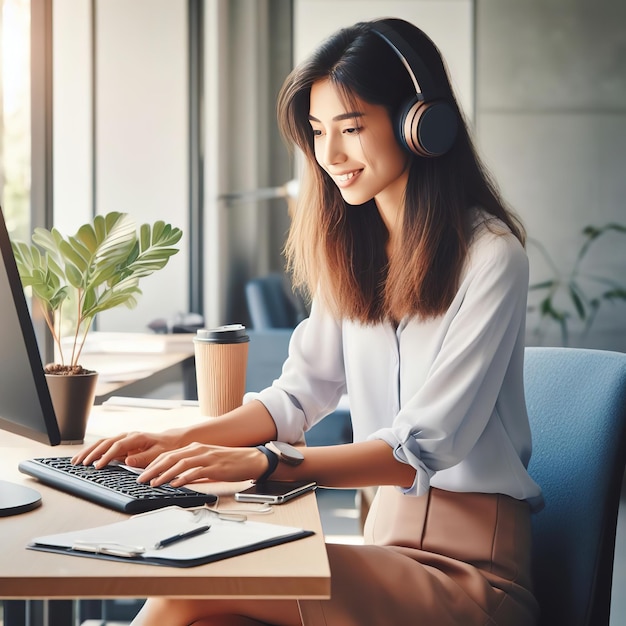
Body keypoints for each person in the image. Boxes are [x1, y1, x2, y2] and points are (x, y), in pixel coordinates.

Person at [73, 17, 543, 626]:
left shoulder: (492, 255)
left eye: (351, 128)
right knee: (214, 616)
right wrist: (184, 440)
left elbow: (423, 446)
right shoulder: (355, 252)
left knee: (199, 577)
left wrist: (271, 464)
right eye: (319, 132)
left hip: (476, 577)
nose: (331, 155)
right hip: (387, 548)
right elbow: (299, 395)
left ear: (421, 124)